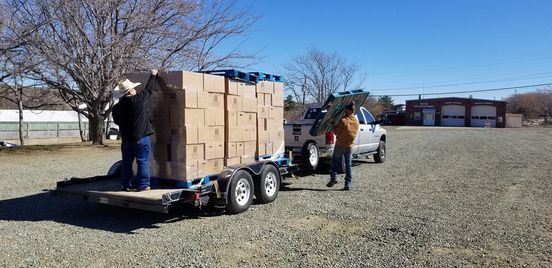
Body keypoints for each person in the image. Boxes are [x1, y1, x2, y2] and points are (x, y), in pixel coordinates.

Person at [112, 69, 158, 191]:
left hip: (126, 139)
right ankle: (142, 185)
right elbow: (149, 90)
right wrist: (153, 75)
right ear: (130, 91)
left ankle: (125, 184)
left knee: (127, 162)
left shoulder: (116, 107)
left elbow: (117, 122)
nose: (135, 90)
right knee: (142, 161)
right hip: (141, 138)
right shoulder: (138, 100)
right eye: (133, 88)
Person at [326, 101, 359, 190]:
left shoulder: (343, 121)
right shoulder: (356, 121)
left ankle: (333, 178)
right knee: (348, 165)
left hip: (340, 145)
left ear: (347, 110)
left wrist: (332, 124)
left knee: (334, 162)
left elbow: (337, 132)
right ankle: (347, 184)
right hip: (349, 146)